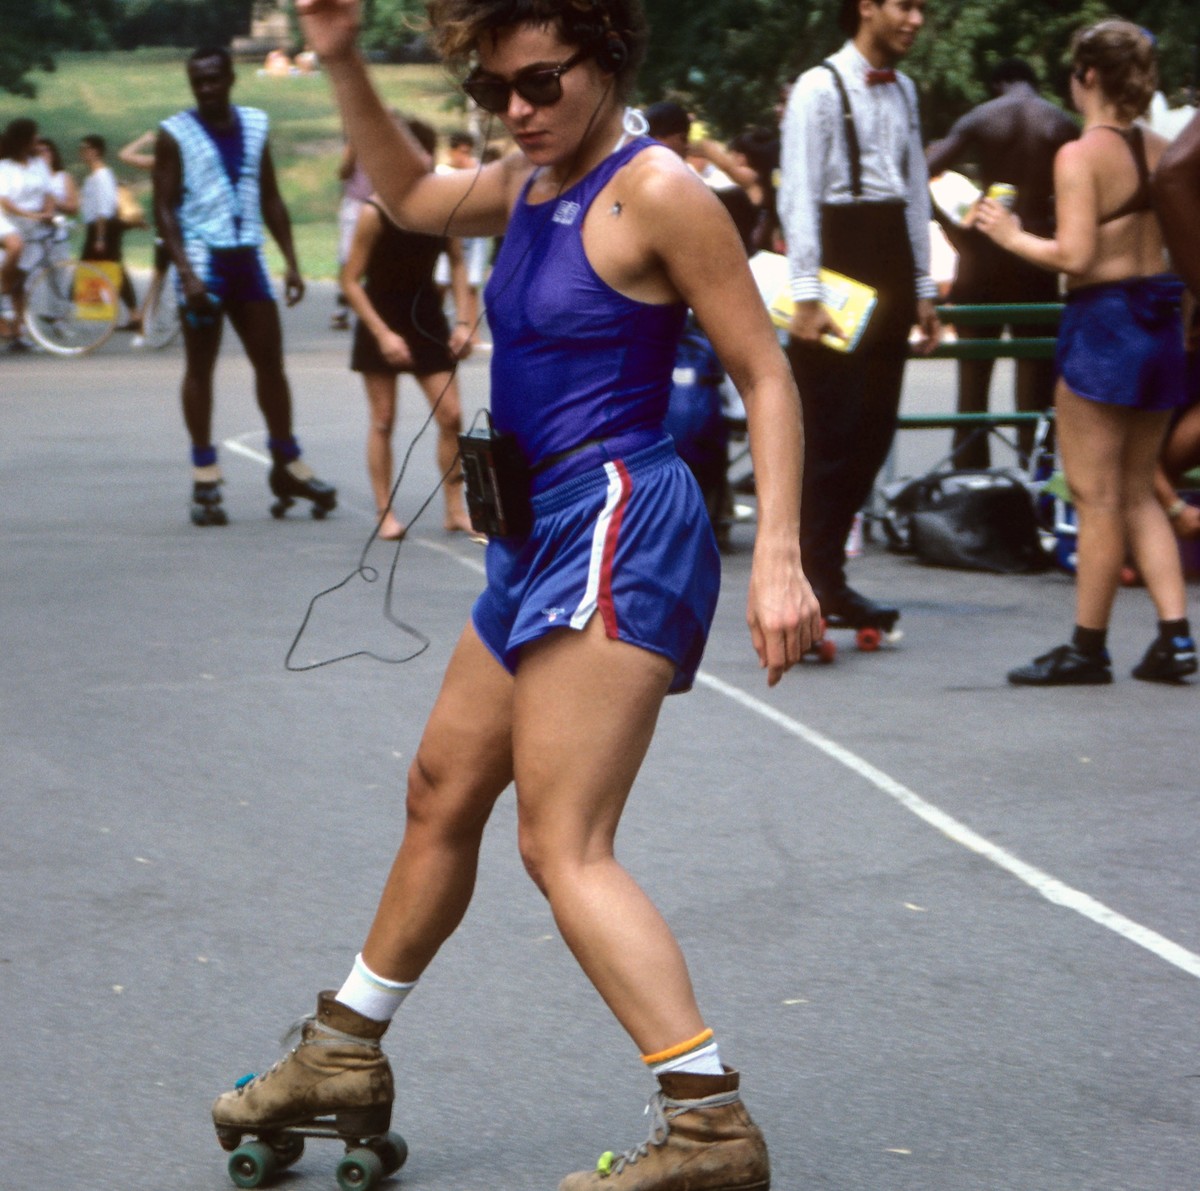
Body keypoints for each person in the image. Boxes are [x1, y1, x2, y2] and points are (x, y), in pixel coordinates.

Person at [211, 1, 820, 1189]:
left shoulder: (658, 193)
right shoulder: (527, 182)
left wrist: (783, 554)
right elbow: (409, 195)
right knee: (441, 789)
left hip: (615, 524)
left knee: (563, 841)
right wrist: (338, 57)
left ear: (608, 60)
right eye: (497, 91)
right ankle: (342, 1050)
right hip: (535, 535)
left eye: (542, 83)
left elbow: (765, 368)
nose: (521, 110)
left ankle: (709, 1126)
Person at [976, 19, 1195, 685]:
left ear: (1088, 77)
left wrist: (1008, 234)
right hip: (1163, 319)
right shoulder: (1166, 149)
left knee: (1095, 494)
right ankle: (1174, 634)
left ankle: (1088, 644)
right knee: (1138, 490)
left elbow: (1073, 255)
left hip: (1104, 322)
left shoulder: (1079, 155)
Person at [778, 0, 940, 631]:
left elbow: (915, 188)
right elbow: (799, 192)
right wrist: (806, 293)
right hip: (836, 269)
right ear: (866, 8)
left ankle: (828, 576)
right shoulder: (819, 87)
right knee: (825, 435)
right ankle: (807, 579)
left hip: (891, 262)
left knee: (871, 435)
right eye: (906, 5)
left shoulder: (904, 90)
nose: (917, 19)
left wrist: (923, 287)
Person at [153, 46, 337, 527]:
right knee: (201, 367)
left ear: (231, 77)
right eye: (199, 82)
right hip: (202, 261)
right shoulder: (175, 133)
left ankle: (286, 461)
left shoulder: (256, 125)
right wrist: (187, 275)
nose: (207, 89)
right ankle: (204, 471)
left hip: (247, 258)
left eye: (214, 79)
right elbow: (164, 208)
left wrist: (293, 262)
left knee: (271, 362)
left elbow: (271, 196)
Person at [926, 59, 1079, 468]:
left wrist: (954, 230)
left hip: (984, 257)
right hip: (1036, 255)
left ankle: (969, 487)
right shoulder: (1060, 123)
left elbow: (918, 176)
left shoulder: (982, 118)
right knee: (1036, 385)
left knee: (972, 383)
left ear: (999, 83)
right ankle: (1037, 484)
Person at [340, 117, 474, 540]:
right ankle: (385, 511)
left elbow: (456, 262)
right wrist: (382, 334)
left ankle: (455, 508)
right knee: (383, 419)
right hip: (382, 317)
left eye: (420, 151)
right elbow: (349, 280)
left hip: (426, 316)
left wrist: (465, 320)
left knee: (451, 414)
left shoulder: (440, 208)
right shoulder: (375, 211)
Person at [0, 118, 56, 350]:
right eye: (34, 136)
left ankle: (17, 332)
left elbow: (49, 193)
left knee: (21, 280)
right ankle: (2, 286)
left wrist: (49, 213)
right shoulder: (5, 167)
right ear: (23, 140)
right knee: (15, 246)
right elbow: (4, 201)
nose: (37, 140)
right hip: (7, 218)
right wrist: (31, 215)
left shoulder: (39, 165)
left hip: (32, 224)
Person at [432, 130, 491, 346]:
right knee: (440, 282)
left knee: (472, 283)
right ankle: (433, 326)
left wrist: (473, 170)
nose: (465, 156)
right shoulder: (441, 172)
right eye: (461, 152)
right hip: (448, 234)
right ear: (451, 152)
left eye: (468, 152)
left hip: (474, 234)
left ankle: (472, 334)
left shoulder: (479, 170)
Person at [79, 135, 140, 330]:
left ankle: (62, 312)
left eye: (86, 148)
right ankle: (133, 314)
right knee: (111, 269)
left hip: (103, 228)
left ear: (96, 151)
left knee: (105, 268)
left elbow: (103, 209)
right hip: (98, 227)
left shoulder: (102, 176)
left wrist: (100, 237)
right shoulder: (94, 176)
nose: (82, 152)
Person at [119, 130, 175, 341]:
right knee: (158, 277)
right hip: (166, 227)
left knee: (166, 276)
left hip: (181, 226)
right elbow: (125, 155)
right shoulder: (158, 162)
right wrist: (143, 139)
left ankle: (148, 320)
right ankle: (144, 322)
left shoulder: (177, 163)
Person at [331, 139, 373, 329]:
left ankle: (371, 309)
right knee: (347, 257)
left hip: (376, 204)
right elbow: (343, 173)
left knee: (374, 257)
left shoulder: (384, 144)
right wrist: (353, 153)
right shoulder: (354, 143)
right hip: (354, 204)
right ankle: (343, 308)